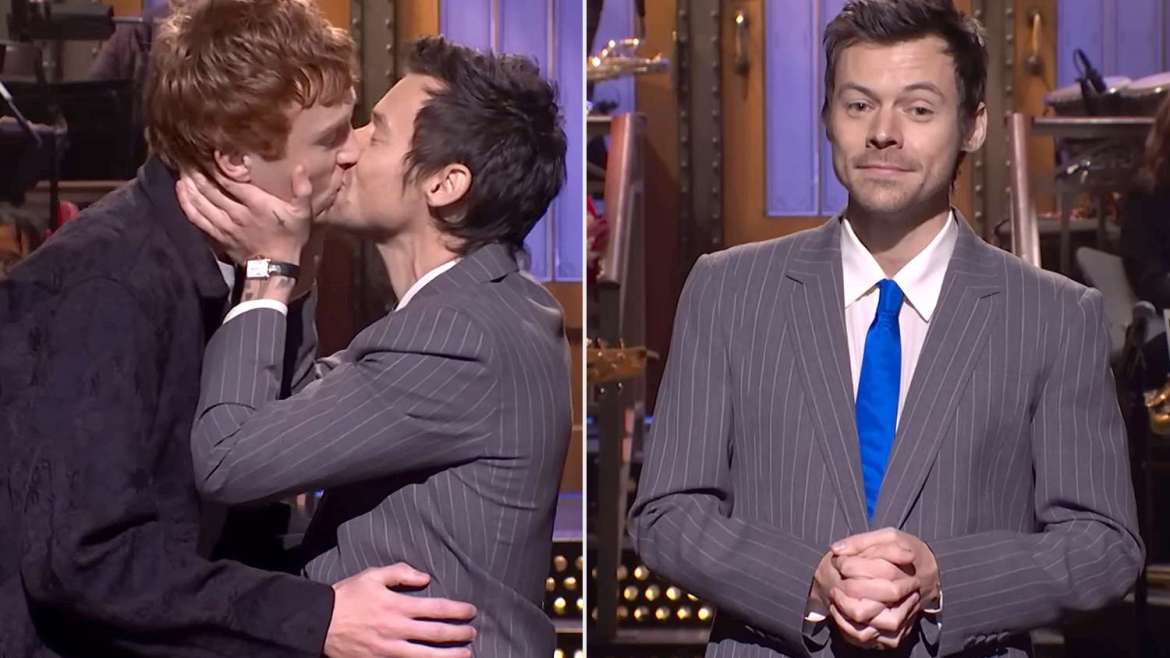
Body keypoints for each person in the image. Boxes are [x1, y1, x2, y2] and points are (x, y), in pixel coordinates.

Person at [628, 1, 1142, 657]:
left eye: (919, 109)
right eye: (858, 105)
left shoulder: (1054, 315)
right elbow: (667, 514)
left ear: (974, 125)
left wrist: (943, 579)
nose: (883, 133)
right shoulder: (728, 290)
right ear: (827, 117)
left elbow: (1103, 544)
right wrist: (805, 581)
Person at [0, 1, 477, 656]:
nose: (353, 153)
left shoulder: (231, 259)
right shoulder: (105, 286)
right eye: (329, 138)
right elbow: (86, 560)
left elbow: (249, 485)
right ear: (233, 160)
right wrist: (316, 618)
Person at [177, 35, 572, 657]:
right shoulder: (482, 306)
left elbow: (230, 459)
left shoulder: (457, 337)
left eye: (375, 133)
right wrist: (299, 265)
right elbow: (301, 414)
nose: (348, 148)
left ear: (445, 184)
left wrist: (266, 268)